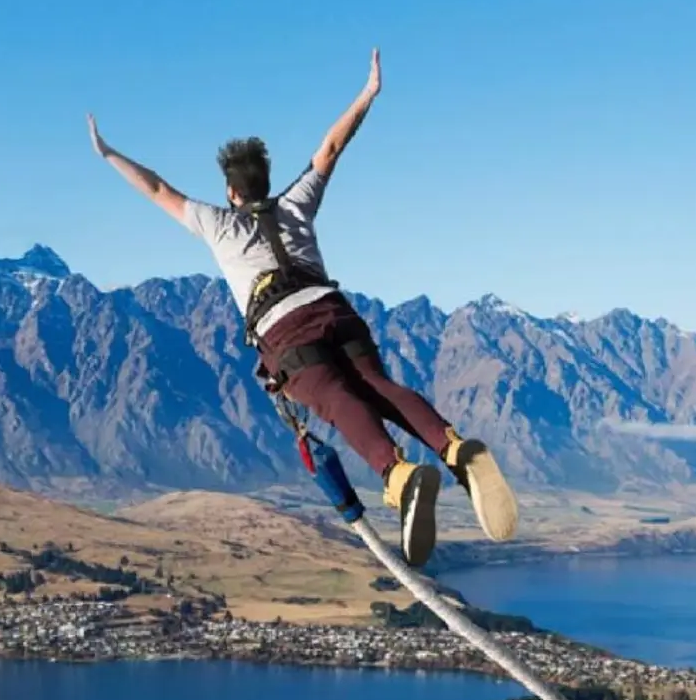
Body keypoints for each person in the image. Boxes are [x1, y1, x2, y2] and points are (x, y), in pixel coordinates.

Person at [84, 48, 517, 567]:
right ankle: (453, 447)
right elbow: (331, 147)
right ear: (265, 183)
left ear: (231, 192)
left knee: (335, 400)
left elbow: (157, 188)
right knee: (379, 387)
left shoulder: (218, 225)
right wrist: (368, 93)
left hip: (286, 331)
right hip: (335, 310)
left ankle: (397, 475)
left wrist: (109, 153)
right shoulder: (296, 204)